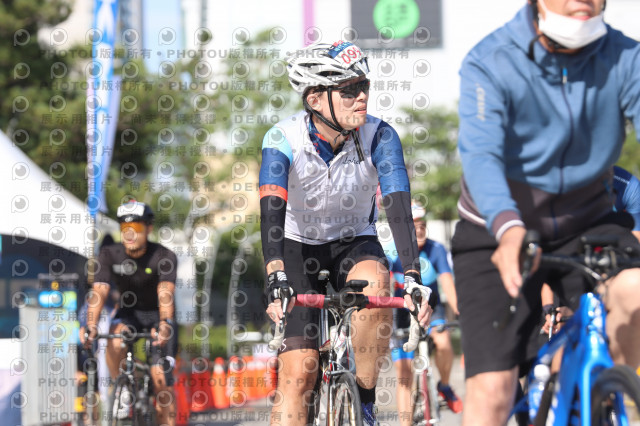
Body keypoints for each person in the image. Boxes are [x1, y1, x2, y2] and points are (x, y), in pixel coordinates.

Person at [452, 1, 640, 425]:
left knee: (635, 292)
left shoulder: (627, 57)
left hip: (588, 221)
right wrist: (508, 227)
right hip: (496, 229)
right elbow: (482, 156)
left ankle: (612, 396)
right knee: (494, 391)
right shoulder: (490, 60)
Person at [259, 40, 432, 426]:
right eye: (349, 90)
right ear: (316, 99)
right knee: (299, 374)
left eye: (364, 86)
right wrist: (275, 274)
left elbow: (398, 207)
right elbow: (270, 214)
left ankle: (364, 402)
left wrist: (413, 275)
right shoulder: (282, 139)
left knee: (378, 284)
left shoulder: (380, 136)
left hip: (355, 242)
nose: (362, 96)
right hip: (296, 247)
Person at [82, 201, 178, 426]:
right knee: (114, 339)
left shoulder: (164, 256)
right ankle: (123, 388)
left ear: (149, 228)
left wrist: (165, 323)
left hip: (158, 316)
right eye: (125, 228)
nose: (130, 234)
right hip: (129, 314)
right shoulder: (109, 254)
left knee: (161, 383)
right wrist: (91, 324)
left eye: (136, 227)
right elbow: (100, 291)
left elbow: (165, 294)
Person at [385, 202, 462, 425]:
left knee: (444, 342)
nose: (419, 229)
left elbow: (447, 283)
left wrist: (461, 313)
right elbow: (385, 286)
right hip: (401, 310)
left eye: (422, 225)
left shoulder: (436, 249)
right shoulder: (390, 251)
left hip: (431, 307)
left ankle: (444, 386)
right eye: (414, 225)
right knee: (404, 375)